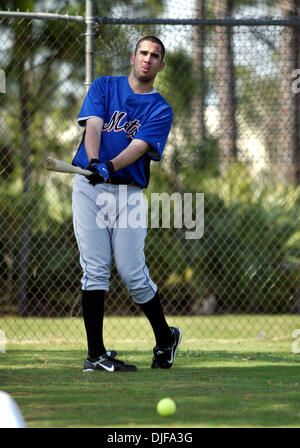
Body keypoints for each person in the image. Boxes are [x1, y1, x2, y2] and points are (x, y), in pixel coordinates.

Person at [72, 36, 182, 372]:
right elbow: (93, 124)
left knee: (133, 273)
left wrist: (110, 165)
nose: (148, 60)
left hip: (128, 194)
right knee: (95, 269)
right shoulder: (105, 86)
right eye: (144, 53)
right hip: (89, 187)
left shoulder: (160, 108)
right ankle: (95, 356)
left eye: (155, 56)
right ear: (132, 57)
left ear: (161, 65)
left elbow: (139, 146)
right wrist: (94, 161)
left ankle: (165, 338)